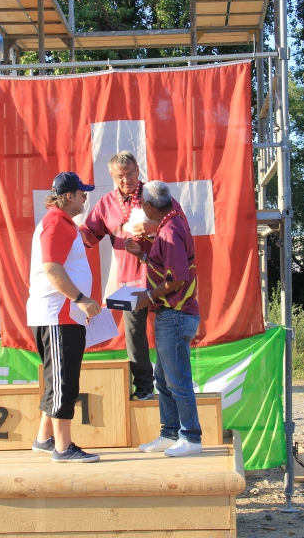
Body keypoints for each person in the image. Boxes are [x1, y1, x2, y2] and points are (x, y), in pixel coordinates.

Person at [80, 151, 182, 401]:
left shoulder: (155, 195)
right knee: (134, 337)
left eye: (130, 173)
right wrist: (65, 232)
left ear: (138, 170)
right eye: (120, 176)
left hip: (162, 277)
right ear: (113, 177)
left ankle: (174, 388)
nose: (126, 179)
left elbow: (180, 223)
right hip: (129, 280)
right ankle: (144, 388)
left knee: (168, 332)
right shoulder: (106, 203)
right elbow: (88, 235)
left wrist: (154, 227)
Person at [124, 180, 203, 457]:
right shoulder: (173, 222)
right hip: (173, 314)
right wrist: (144, 254)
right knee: (164, 378)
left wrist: (147, 297)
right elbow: (169, 265)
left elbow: (178, 276)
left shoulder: (169, 230)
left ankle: (191, 437)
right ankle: (170, 433)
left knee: (177, 380)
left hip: (175, 313)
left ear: (147, 206)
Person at [28, 171, 102, 463]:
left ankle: (45, 439)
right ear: (68, 196)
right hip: (58, 315)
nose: (85, 196)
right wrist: (81, 299)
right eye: (82, 192)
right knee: (63, 382)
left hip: (63, 315)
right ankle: (62, 448)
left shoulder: (63, 222)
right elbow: (52, 268)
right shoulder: (56, 222)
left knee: (57, 379)